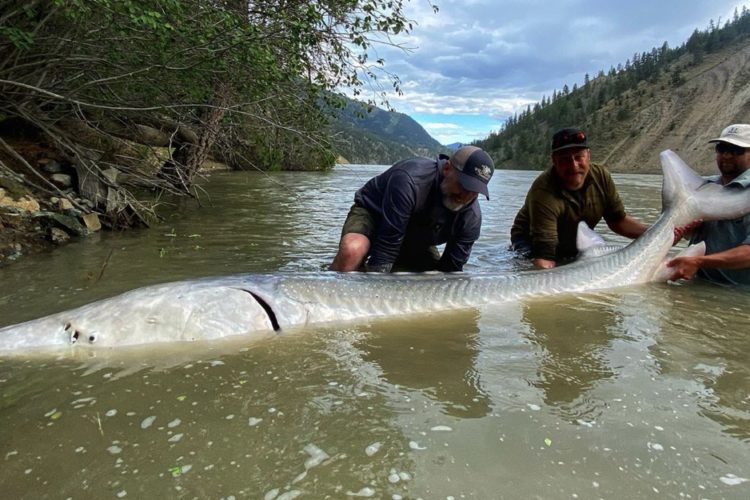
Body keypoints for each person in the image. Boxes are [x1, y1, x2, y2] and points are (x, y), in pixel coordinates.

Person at [330, 146, 495, 272]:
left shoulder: (471, 218)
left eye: (474, 191)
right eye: (463, 185)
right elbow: (386, 249)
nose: (465, 196)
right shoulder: (409, 180)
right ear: (447, 169)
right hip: (375, 215)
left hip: (416, 234)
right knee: (353, 250)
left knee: (429, 280)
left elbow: (451, 271)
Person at [510, 127, 649, 269]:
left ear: (588, 156)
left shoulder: (601, 177)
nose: (573, 165)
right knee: (530, 268)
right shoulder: (543, 190)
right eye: (565, 159)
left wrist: (655, 232)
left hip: (572, 239)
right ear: (554, 161)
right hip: (530, 241)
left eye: (578, 157)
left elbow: (618, 221)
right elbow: (544, 256)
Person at [666, 124, 750, 285]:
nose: (726, 155)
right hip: (697, 285)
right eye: (722, 148)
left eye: (736, 150)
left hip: (738, 295)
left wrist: (699, 262)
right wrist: (686, 231)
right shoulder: (702, 187)